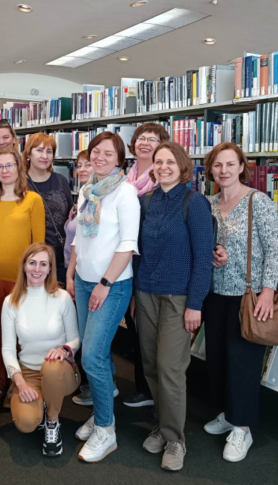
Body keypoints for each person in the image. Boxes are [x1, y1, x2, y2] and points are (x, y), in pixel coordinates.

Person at [134, 141, 214, 471]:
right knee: (151, 364)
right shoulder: (145, 202)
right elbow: (137, 252)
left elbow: (204, 258)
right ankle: (163, 426)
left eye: (170, 161)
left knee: (170, 368)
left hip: (179, 298)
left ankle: (176, 439)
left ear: (182, 167)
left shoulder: (194, 203)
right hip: (146, 294)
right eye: (158, 161)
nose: (163, 166)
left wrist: (195, 304)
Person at [202, 141, 278, 462]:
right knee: (218, 358)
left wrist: (267, 290)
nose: (223, 171)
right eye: (218, 165)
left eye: (230, 165)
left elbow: (274, 249)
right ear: (210, 169)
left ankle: (243, 428)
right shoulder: (206, 204)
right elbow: (201, 244)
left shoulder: (256, 201)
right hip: (214, 293)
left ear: (241, 167)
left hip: (248, 296)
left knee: (243, 362)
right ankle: (228, 413)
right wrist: (212, 254)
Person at [66, 131, 140, 463]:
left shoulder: (126, 194)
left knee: (92, 356)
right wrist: (71, 273)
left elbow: (127, 245)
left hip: (111, 286)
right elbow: (81, 237)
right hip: (82, 281)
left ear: (120, 160)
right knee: (98, 353)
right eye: (96, 152)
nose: (100, 157)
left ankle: (106, 431)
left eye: (108, 154)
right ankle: (100, 414)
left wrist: (105, 283)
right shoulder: (87, 190)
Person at [2, 243, 80, 456]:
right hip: (28, 373)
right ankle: (41, 404)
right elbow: (8, 349)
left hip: (60, 371)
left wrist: (64, 350)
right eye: (32, 263)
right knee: (26, 423)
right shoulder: (11, 302)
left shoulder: (62, 297)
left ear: (49, 269)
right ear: (24, 266)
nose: (37, 269)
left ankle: (52, 422)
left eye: (43, 264)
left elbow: (75, 339)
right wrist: (19, 382)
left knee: (51, 366)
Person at [0, 148, 45, 399]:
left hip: (22, 279)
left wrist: (36, 276)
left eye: (9, 166)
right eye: (0, 166)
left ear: (19, 168)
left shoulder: (32, 200)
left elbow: (38, 244)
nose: (5, 171)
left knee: (21, 333)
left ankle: (18, 384)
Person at [122, 122, 170, 409]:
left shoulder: (161, 180)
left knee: (150, 328)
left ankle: (153, 390)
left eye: (153, 139)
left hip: (149, 261)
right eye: (141, 137)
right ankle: (143, 385)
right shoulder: (127, 178)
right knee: (136, 325)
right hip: (126, 258)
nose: (145, 142)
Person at [64, 151, 96, 408]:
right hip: (75, 272)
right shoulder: (83, 195)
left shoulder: (99, 196)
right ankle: (84, 381)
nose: (83, 169)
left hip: (91, 276)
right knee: (78, 331)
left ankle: (95, 386)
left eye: (89, 164)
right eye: (80, 165)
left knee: (90, 337)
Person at [24, 133, 73, 283]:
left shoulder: (61, 180)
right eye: (39, 150)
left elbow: (70, 216)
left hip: (59, 256)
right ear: (28, 154)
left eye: (49, 151)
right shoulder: (20, 183)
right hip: (32, 258)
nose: (44, 156)